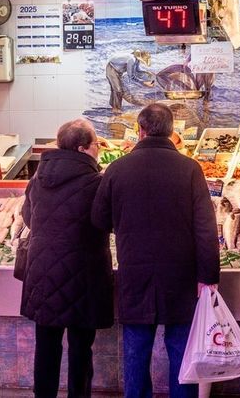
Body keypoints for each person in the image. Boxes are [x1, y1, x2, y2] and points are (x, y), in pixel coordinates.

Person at [91, 103, 219, 398]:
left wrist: (125, 227)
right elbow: (206, 228)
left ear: (140, 130)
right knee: (181, 354)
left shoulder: (118, 168)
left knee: (136, 353)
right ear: (172, 132)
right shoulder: (190, 169)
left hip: (134, 272)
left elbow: (98, 219)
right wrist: (209, 276)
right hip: (180, 276)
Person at [20, 118, 113, 398]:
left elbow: (28, 218)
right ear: (84, 149)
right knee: (81, 347)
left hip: (42, 273)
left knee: (46, 345)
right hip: (83, 275)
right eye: (97, 144)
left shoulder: (38, 179)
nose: (98, 149)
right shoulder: (96, 182)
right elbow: (104, 222)